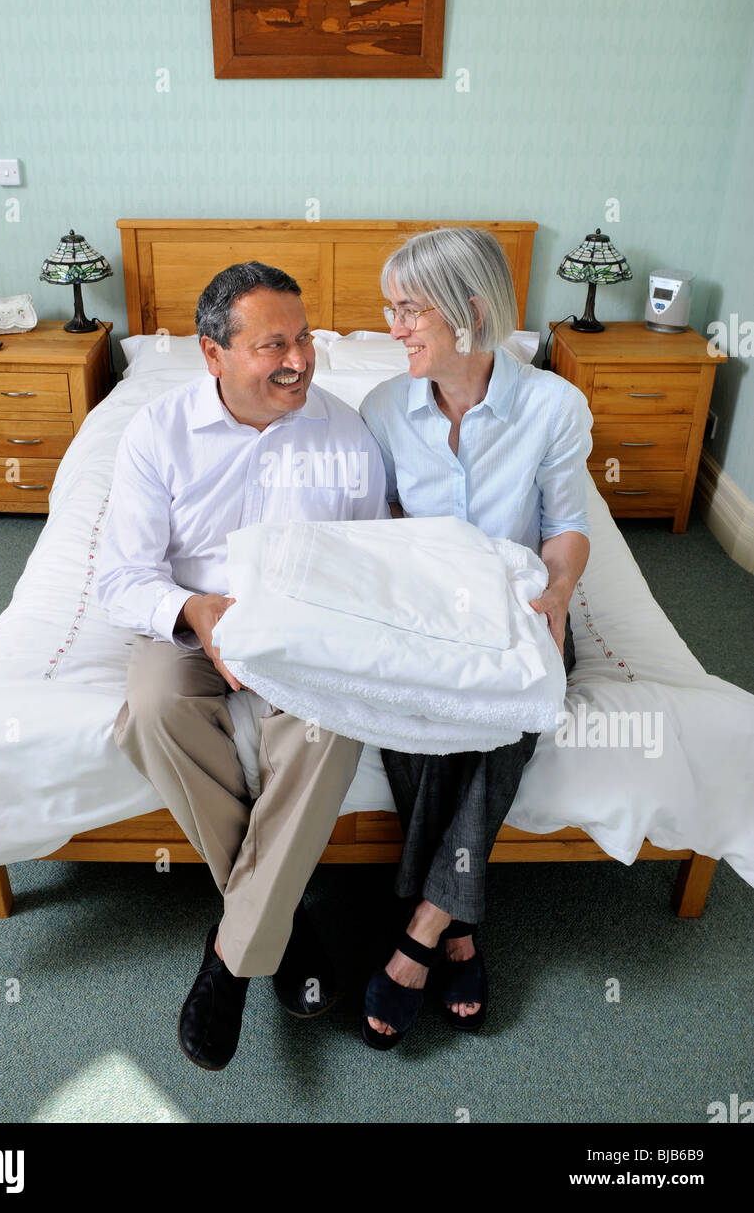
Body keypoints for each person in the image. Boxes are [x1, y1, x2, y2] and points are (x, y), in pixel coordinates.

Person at [96, 261, 389, 1071]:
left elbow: (368, 561)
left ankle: (232, 955)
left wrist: (306, 625)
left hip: (302, 627)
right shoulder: (156, 433)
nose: (298, 360)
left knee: (333, 726)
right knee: (150, 709)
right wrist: (195, 612)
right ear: (212, 353)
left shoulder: (345, 435)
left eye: (304, 339)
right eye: (272, 346)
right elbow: (121, 578)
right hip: (190, 620)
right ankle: (280, 926)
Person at [357, 227, 593, 1049]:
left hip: (517, 609)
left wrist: (556, 593)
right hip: (425, 617)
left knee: (512, 710)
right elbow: (384, 521)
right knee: (409, 714)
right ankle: (453, 930)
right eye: (389, 309)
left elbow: (566, 526)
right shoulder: (383, 409)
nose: (393, 328)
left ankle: (420, 930)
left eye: (407, 309)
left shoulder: (552, 405)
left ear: (469, 310)